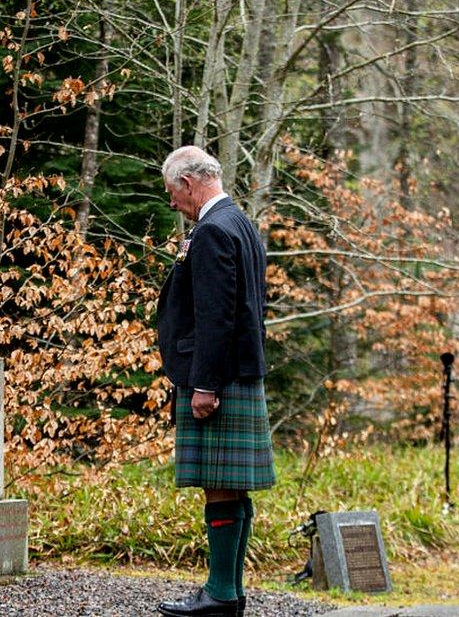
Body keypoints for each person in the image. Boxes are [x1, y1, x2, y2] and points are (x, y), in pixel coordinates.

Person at [155, 146, 275, 617]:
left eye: (172, 192)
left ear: (188, 183)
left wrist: (206, 384)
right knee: (232, 485)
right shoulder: (242, 224)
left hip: (217, 378)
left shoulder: (211, 231)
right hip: (240, 372)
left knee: (219, 484)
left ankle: (221, 594)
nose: (172, 203)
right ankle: (229, 590)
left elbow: (216, 315)